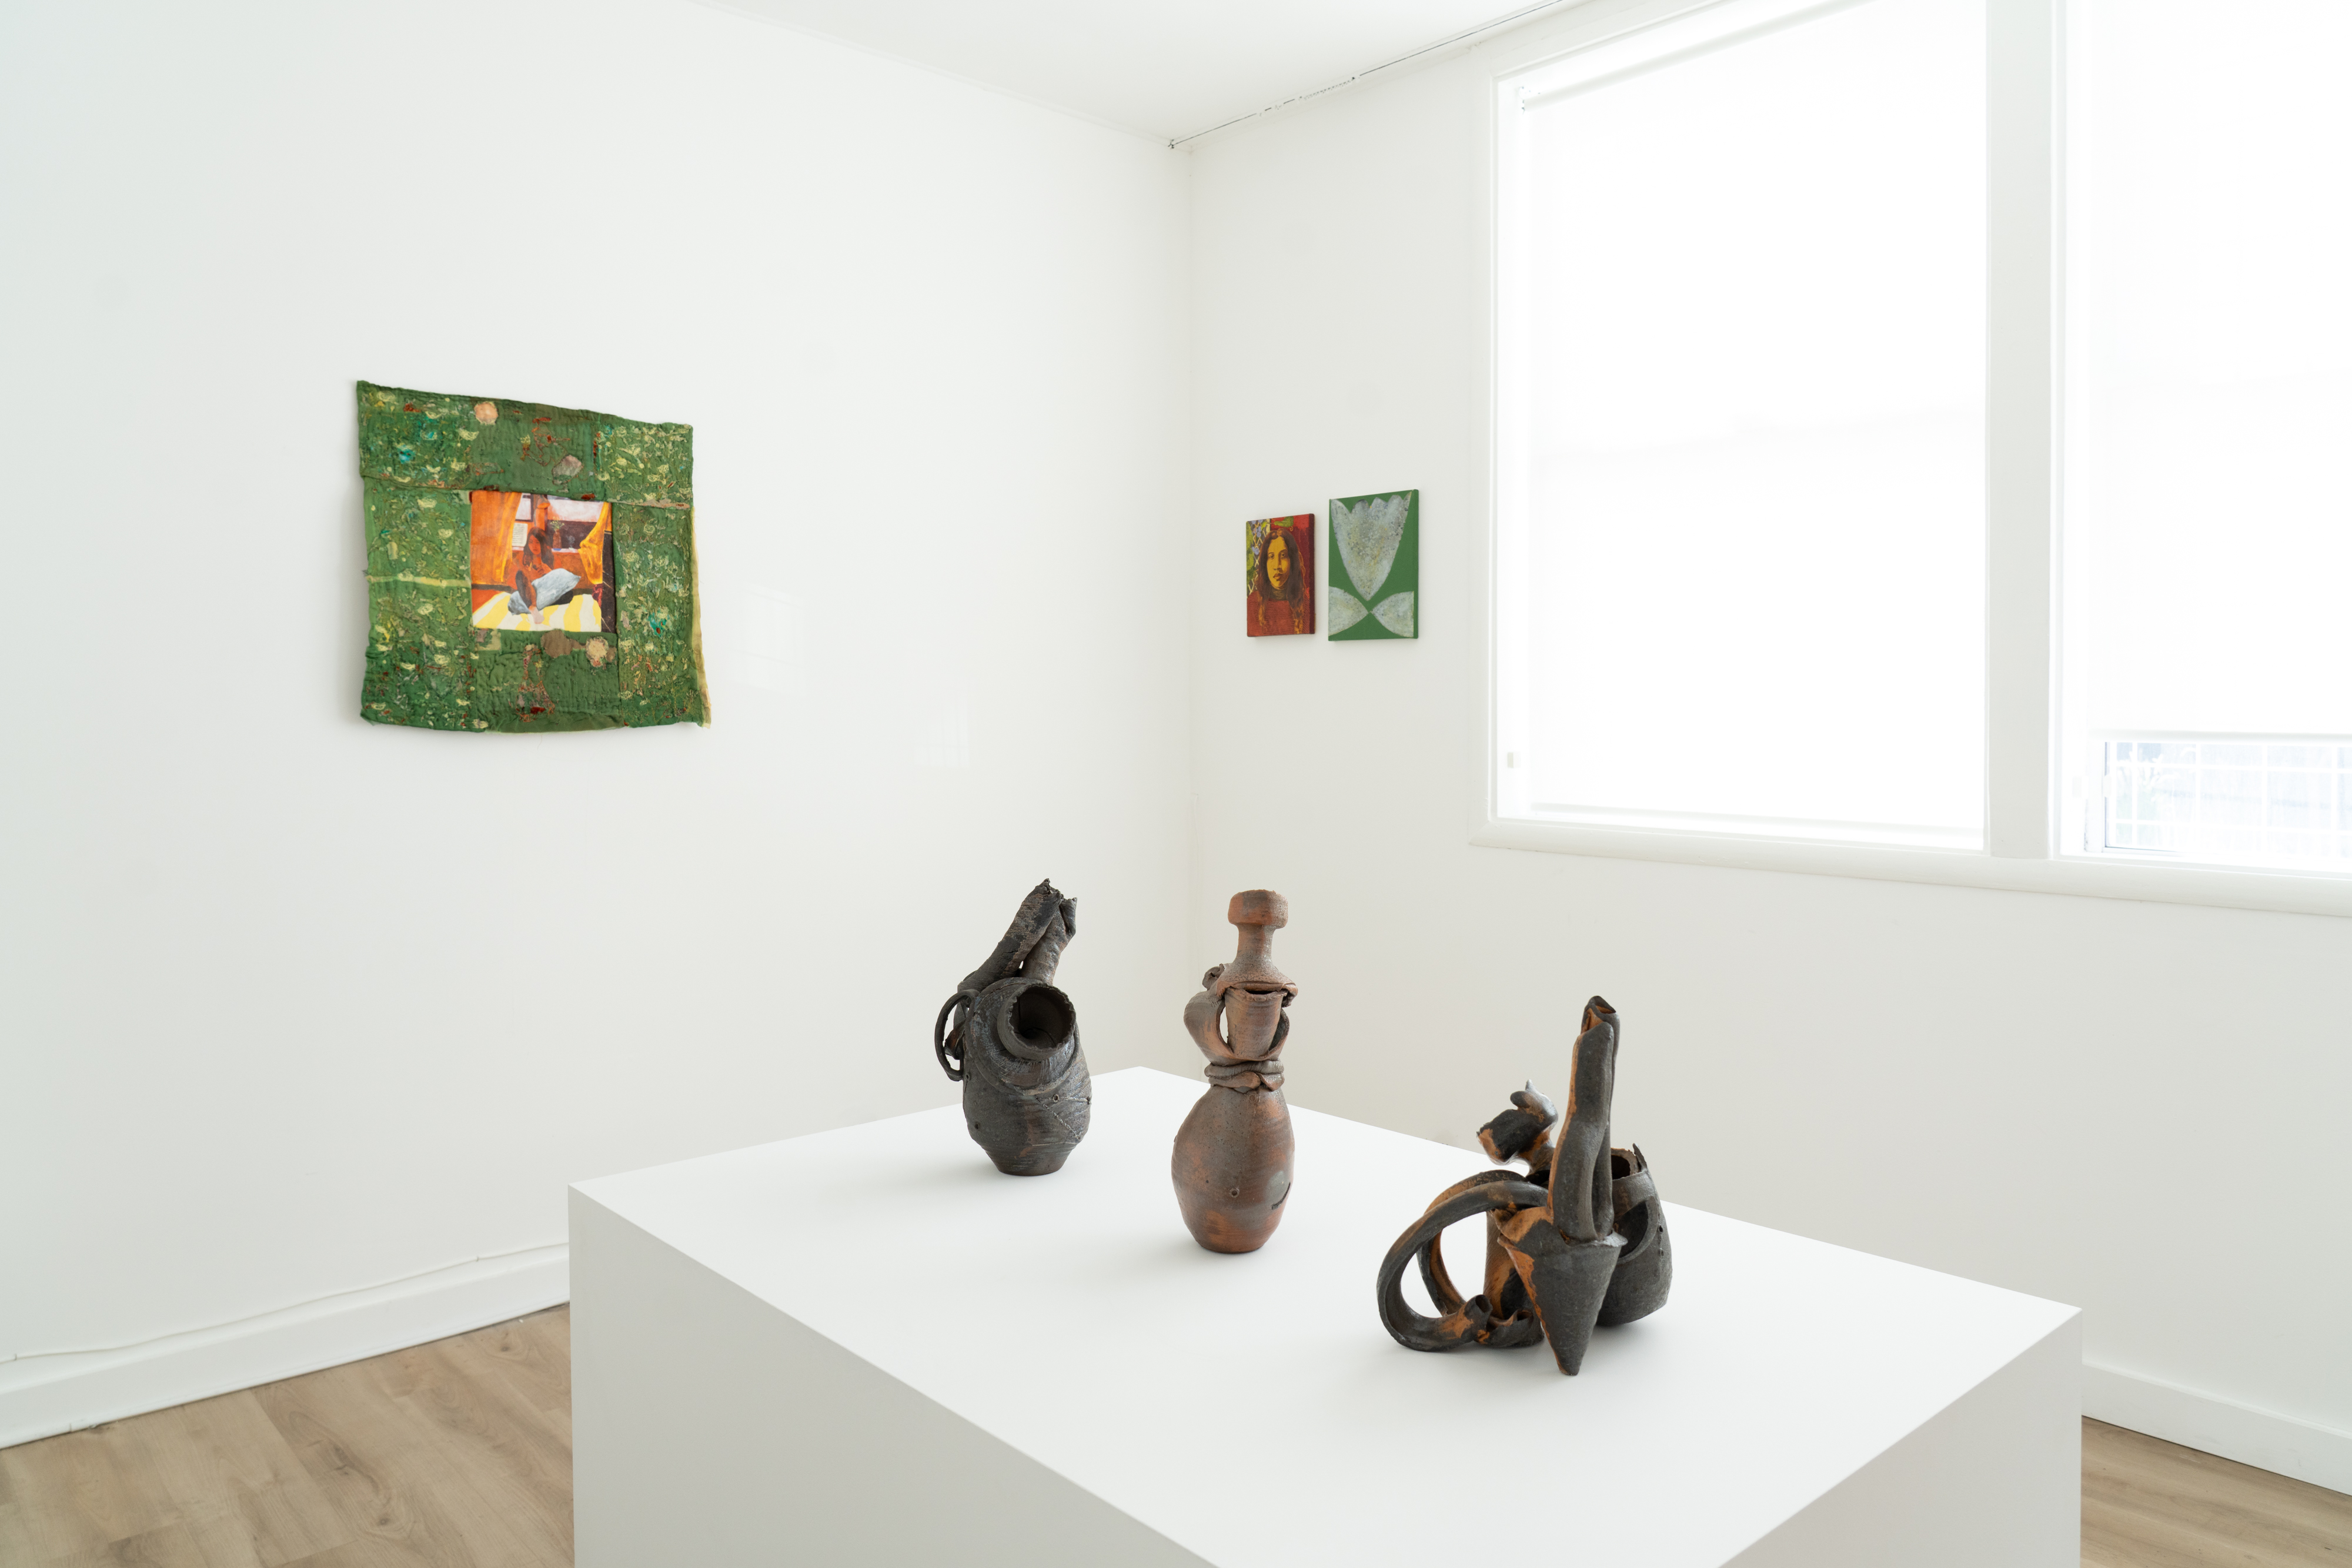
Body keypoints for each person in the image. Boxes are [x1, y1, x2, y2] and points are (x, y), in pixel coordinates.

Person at [1251, 526, 1312, 635]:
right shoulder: (1253, 603)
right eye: (1271, 557)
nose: (1277, 566)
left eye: (1283, 556)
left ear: (1292, 561)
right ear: (1265, 563)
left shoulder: (1305, 606)